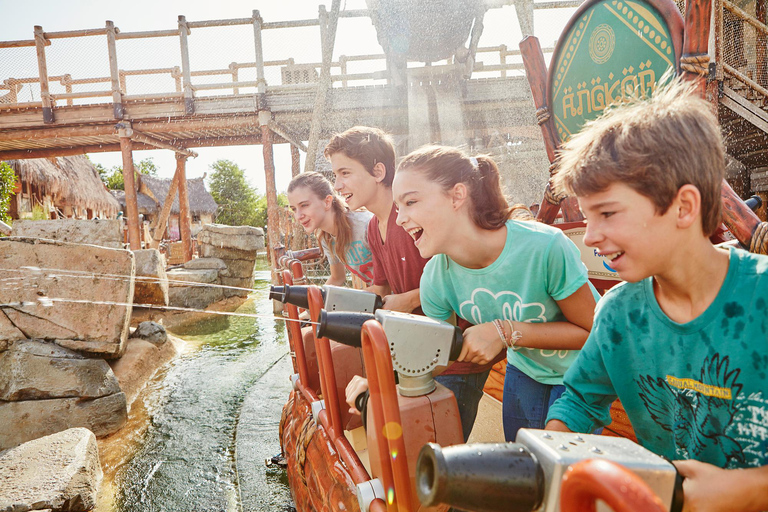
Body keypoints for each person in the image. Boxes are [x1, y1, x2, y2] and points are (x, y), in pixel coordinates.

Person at [544, 79, 768, 512]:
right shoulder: (617, 316)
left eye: (607, 213)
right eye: (587, 217)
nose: (590, 236)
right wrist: (552, 459)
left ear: (683, 207)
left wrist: (750, 490)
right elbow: (578, 400)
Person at [394, 145, 599, 441]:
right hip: (525, 370)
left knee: (562, 475)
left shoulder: (543, 248)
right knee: (524, 471)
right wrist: (382, 383)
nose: (400, 218)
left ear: (457, 196)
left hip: (584, 373)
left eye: (410, 202)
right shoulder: (435, 279)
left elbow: (592, 331)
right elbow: (436, 356)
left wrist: (504, 332)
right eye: (398, 208)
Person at [328, 127, 496, 441]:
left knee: (438, 450)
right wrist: (333, 309)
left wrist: (406, 300)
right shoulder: (374, 230)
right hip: (418, 350)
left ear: (378, 171)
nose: (337, 185)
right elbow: (379, 291)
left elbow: (460, 270)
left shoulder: (412, 217)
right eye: (335, 175)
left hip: (454, 355)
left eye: (344, 172)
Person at [286, 172, 374, 286]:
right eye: (294, 209)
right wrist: (314, 299)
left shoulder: (365, 225)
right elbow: (337, 278)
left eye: (304, 205)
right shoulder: (326, 237)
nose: (298, 216)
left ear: (327, 202)